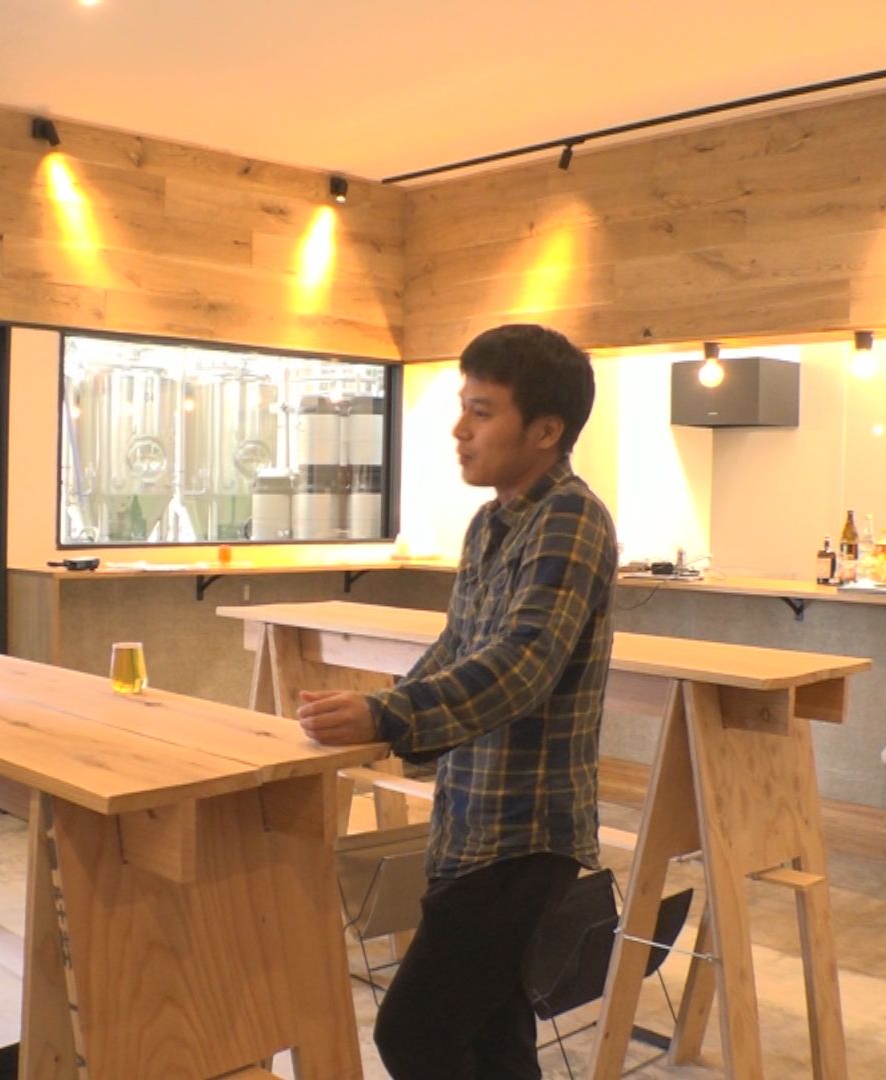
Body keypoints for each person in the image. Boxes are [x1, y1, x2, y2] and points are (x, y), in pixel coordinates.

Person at [296, 323, 617, 1080]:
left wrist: (389, 716)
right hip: (470, 825)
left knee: (414, 1034)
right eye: (463, 407)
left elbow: (522, 664)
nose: (459, 429)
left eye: (481, 411)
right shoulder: (491, 524)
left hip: (524, 833)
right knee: (494, 1042)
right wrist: (378, 711)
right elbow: (461, 646)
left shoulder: (570, 518)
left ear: (545, 431)